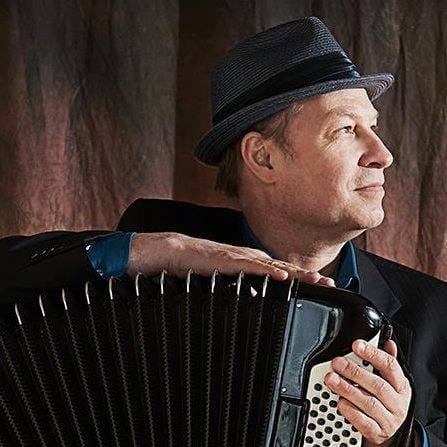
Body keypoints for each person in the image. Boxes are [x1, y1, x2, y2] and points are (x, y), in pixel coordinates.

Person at [0, 16, 445, 446]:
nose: (382, 154)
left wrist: (400, 439)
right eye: (347, 130)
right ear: (264, 158)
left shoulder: (434, 315)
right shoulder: (157, 238)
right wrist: (151, 250)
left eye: (374, 127)